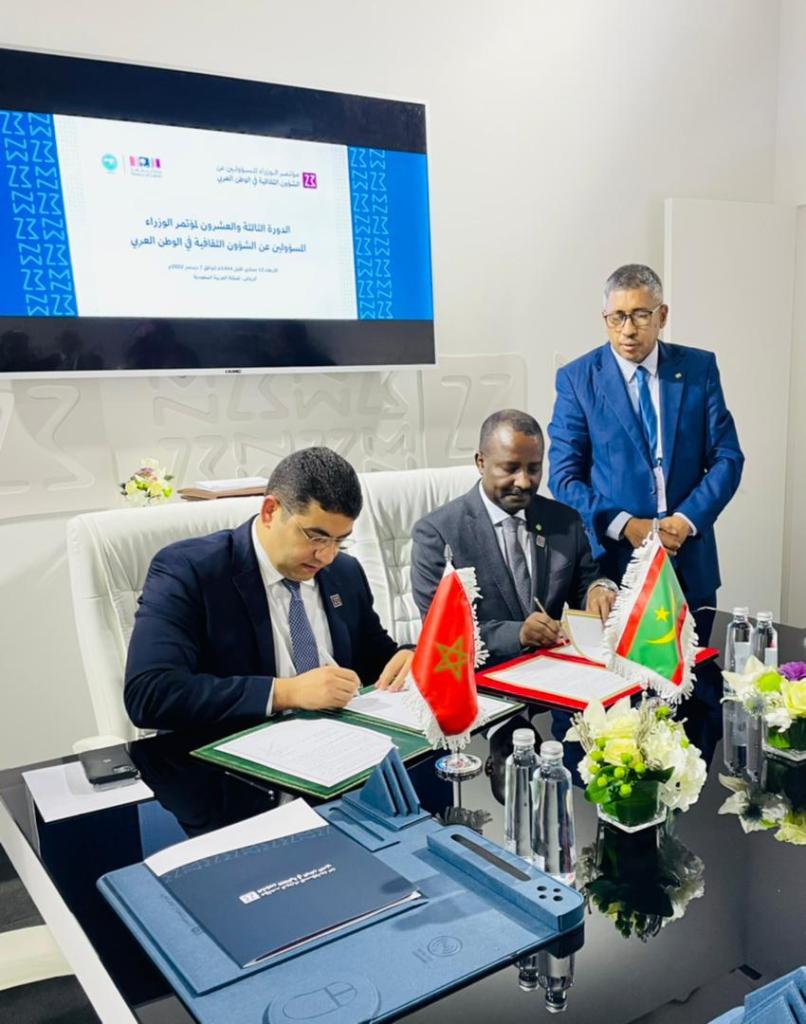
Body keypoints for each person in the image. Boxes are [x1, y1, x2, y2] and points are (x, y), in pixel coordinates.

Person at [124, 447, 413, 730]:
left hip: (337, 741)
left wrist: (411, 658)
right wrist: (285, 693)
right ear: (270, 511)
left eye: (339, 541)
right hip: (229, 749)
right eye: (315, 537)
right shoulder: (190, 570)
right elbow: (149, 693)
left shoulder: (344, 572)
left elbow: (377, 657)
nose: (326, 556)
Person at [548, 264, 744, 646]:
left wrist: (686, 520)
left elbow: (727, 457)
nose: (628, 330)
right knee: (622, 682)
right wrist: (625, 524)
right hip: (616, 568)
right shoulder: (577, 379)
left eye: (640, 315)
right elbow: (564, 477)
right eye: (617, 317)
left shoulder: (698, 368)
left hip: (689, 562)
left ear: (662, 316)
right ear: (604, 318)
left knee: (697, 677)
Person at [410, 409, 616, 667]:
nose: (524, 482)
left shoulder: (564, 521)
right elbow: (441, 630)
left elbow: (586, 584)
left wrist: (600, 590)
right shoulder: (437, 534)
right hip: (481, 680)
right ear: (481, 462)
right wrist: (516, 634)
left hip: (556, 673)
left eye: (534, 468)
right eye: (511, 468)